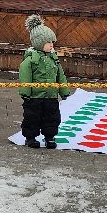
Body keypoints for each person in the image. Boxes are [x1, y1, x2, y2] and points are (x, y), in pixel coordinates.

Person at [19, 15, 71, 149]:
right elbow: (25, 75)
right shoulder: (31, 59)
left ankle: (50, 137)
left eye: (52, 42)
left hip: (51, 96)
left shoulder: (54, 59)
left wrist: (64, 91)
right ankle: (30, 137)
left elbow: (61, 76)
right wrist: (26, 92)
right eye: (48, 43)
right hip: (34, 97)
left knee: (52, 117)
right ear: (39, 43)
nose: (51, 45)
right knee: (32, 117)